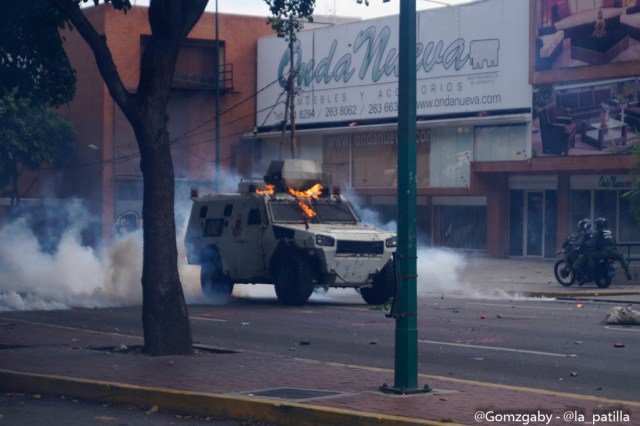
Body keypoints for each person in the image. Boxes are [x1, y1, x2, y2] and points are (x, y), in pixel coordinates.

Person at [573, 218, 595, 284]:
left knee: (575, 265)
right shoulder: (594, 232)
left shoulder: (583, 233)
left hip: (586, 253)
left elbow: (579, 243)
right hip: (593, 252)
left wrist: (574, 243)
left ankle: (583, 278)